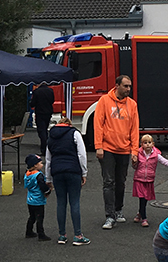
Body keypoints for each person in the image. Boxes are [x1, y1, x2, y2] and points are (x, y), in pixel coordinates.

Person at [93, 75, 140, 230]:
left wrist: (134, 150)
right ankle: (109, 215)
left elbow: (134, 129)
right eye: (125, 86)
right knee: (108, 182)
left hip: (124, 149)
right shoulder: (104, 101)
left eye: (129, 86)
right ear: (117, 85)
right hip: (107, 149)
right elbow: (98, 124)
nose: (128, 89)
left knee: (121, 182)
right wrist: (98, 146)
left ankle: (118, 210)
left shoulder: (132, 104)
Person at [45, 116, 89, 246]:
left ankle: (62, 235)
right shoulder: (74, 133)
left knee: (61, 202)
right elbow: (82, 154)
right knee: (74, 202)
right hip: (72, 170)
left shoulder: (51, 136)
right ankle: (78, 235)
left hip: (57, 171)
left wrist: (48, 178)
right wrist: (84, 172)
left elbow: (48, 158)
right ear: (68, 124)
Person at [132, 135, 168, 227]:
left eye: (149, 142)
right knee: (142, 197)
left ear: (153, 144)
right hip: (139, 179)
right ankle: (144, 218)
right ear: (141, 145)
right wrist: (134, 162)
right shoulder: (138, 154)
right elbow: (134, 167)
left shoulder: (156, 155)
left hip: (149, 180)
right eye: (145, 143)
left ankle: (140, 213)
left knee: (145, 198)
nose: (147, 145)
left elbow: (165, 162)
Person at [23, 153, 51, 241]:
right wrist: (48, 191)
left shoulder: (27, 174)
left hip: (30, 199)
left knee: (32, 216)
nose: (42, 165)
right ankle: (41, 234)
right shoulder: (38, 176)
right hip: (38, 200)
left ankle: (29, 231)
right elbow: (42, 186)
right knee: (40, 217)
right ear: (35, 165)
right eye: (40, 163)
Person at [30, 83, 56, 151]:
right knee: (45, 129)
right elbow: (52, 101)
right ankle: (47, 145)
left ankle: (44, 148)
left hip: (40, 113)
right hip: (48, 112)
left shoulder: (36, 92)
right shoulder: (50, 91)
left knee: (41, 130)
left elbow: (33, 103)